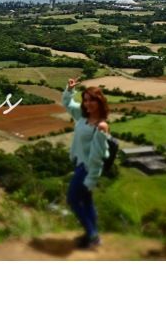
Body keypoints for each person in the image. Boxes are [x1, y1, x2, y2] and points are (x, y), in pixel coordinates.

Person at [62, 78, 110, 249]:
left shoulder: (101, 126)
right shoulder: (82, 117)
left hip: (87, 169)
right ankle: (93, 235)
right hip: (79, 164)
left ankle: (92, 234)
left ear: (100, 102)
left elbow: (98, 155)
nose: (88, 103)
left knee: (73, 199)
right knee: (87, 202)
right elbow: (67, 103)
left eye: (92, 100)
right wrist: (69, 89)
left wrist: (91, 178)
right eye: (86, 99)